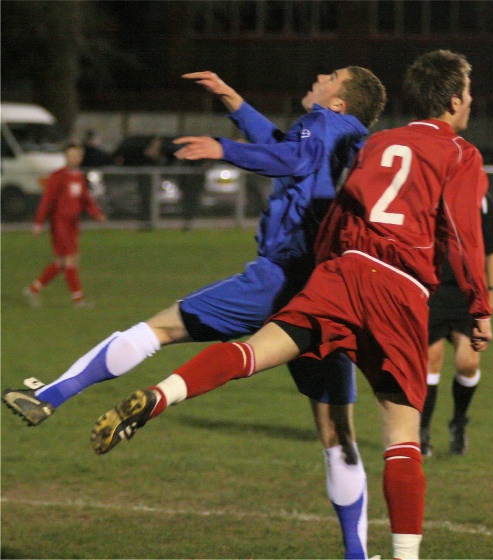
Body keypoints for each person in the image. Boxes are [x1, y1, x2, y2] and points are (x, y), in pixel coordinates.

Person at [84, 50, 491, 560]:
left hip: (341, 272)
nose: (471, 103)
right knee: (402, 432)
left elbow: (344, 209)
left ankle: (163, 393)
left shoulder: (380, 141)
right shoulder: (461, 153)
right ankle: (405, 557)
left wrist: (325, 273)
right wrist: (479, 306)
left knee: (252, 352)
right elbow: (463, 237)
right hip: (399, 290)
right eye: (469, 95)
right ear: (453, 101)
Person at [4, 67, 387, 559]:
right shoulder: (348, 138)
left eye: (332, 76)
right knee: (338, 433)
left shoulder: (322, 124)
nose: (320, 75)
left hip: (280, 276)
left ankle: (51, 396)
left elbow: (292, 154)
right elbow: (286, 147)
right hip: (325, 294)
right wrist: (233, 100)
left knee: (161, 327)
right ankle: (357, 556)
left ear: (338, 102)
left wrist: (223, 148)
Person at [420, 193, 493, 456]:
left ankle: (459, 421)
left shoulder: (478, 197)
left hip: (467, 291)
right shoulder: (426, 190)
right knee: (431, 360)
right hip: (431, 290)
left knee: (468, 362)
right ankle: (420, 432)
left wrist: (492, 290)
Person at [23, 141, 106, 307]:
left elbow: (85, 199)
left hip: (73, 224)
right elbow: (47, 200)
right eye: (71, 155)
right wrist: (39, 222)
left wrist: (96, 213)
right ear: (66, 157)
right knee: (70, 260)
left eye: (77, 155)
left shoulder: (79, 176)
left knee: (62, 262)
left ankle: (33, 289)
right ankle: (78, 299)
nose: (74, 158)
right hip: (60, 224)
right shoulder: (58, 176)